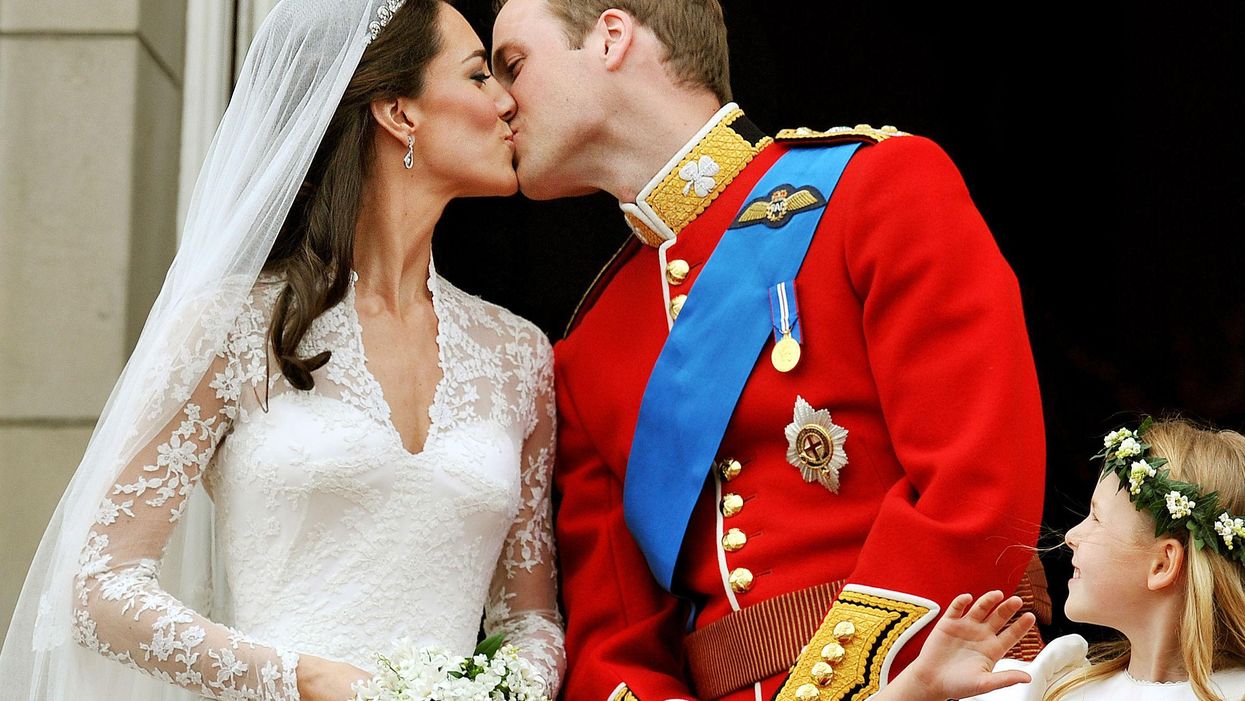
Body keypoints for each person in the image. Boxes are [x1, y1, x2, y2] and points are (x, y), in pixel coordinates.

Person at [0, 1, 564, 700]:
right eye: (480, 75)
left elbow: (528, 618)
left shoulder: (520, 355)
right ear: (400, 113)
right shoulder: (230, 325)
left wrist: (501, 692)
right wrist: (303, 679)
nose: (509, 100)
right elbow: (96, 587)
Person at [489, 1, 1047, 700]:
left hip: (939, 676)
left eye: (513, 64)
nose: (498, 101)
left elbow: (979, 493)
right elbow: (613, 647)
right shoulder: (590, 347)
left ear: (610, 36)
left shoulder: (875, 188)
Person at [874, 418, 1245, 701]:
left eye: (1097, 517)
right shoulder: (1043, 686)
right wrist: (919, 686)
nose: (1071, 536)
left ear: (1162, 565)